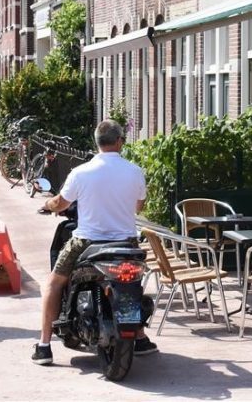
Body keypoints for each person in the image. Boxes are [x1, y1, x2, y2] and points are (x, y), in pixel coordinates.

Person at [32, 119, 153, 365]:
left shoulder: (81, 172)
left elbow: (61, 203)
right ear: (119, 141)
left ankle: (44, 346)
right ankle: (139, 337)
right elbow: (139, 206)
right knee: (132, 282)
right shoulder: (134, 171)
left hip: (87, 242)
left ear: (96, 142)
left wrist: (48, 205)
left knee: (54, 283)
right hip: (126, 243)